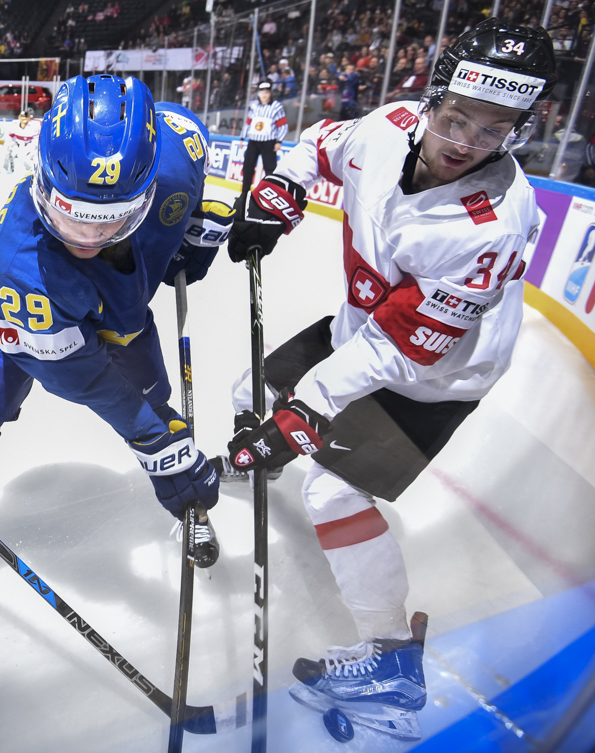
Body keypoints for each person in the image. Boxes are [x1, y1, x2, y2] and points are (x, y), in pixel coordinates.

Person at [222, 19, 557, 738]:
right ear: (432, 99)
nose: (464, 142)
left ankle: (390, 664)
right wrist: (281, 191)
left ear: (517, 130)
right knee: (250, 395)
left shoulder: (493, 223)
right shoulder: (388, 126)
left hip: (436, 370)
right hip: (365, 323)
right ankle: (260, 448)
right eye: (457, 117)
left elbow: (408, 351)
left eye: (493, 130)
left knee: (331, 484)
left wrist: (309, 408)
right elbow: (320, 146)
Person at [0, 74, 227, 595]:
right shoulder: (15, 267)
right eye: (69, 215)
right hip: (13, 329)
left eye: (111, 222)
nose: (86, 238)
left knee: (157, 404)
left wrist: (190, 233)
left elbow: (178, 173)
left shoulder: (180, 149)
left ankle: (184, 498)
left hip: (119, 317)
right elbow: (79, 378)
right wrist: (148, 436)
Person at [239, 82, 288, 197]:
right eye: (262, 92)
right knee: (248, 167)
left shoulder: (276, 106)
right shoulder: (254, 106)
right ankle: (244, 193)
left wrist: (279, 141)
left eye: (266, 92)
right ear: (259, 93)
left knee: (270, 169)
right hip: (253, 141)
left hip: (269, 142)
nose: (264, 95)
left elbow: (283, 125)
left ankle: (270, 194)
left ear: (270, 93)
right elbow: (248, 123)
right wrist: (242, 137)